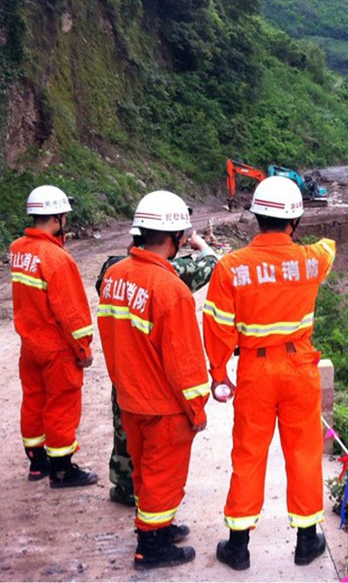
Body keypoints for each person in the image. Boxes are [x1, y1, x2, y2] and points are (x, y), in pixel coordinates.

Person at [203, 176, 335, 571]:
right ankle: (307, 541)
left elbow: (218, 326)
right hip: (299, 367)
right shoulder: (313, 260)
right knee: (304, 452)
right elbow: (329, 248)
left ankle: (239, 547)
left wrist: (218, 373)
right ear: (294, 221)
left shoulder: (231, 267)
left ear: (256, 217)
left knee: (248, 454)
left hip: (255, 369)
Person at [97, 191, 210, 570]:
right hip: (163, 407)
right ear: (177, 238)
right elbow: (186, 361)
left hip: (129, 399)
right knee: (163, 476)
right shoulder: (171, 290)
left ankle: (158, 528)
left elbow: (111, 336)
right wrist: (196, 409)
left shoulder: (114, 276)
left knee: (145, 472)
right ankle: (151, 548)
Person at [96, 230, 218, 508]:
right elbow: (210, 265)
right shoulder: (169, 279)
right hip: (157, 393)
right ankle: (154, 533)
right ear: (173, 236)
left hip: (124, 382)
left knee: (130, 442)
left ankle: (127, 488)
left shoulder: (112, 271)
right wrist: (200, 244)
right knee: (160, 465)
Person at [11, 185, 98, 488]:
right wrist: (83, 348)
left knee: (33, 401)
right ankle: (62, 470)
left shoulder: (18, 249)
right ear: (58, 218)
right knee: (61, 405)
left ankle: (37, 464)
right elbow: (71, 312)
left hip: (30, 345)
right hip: (56, 348)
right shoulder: (57, 258)